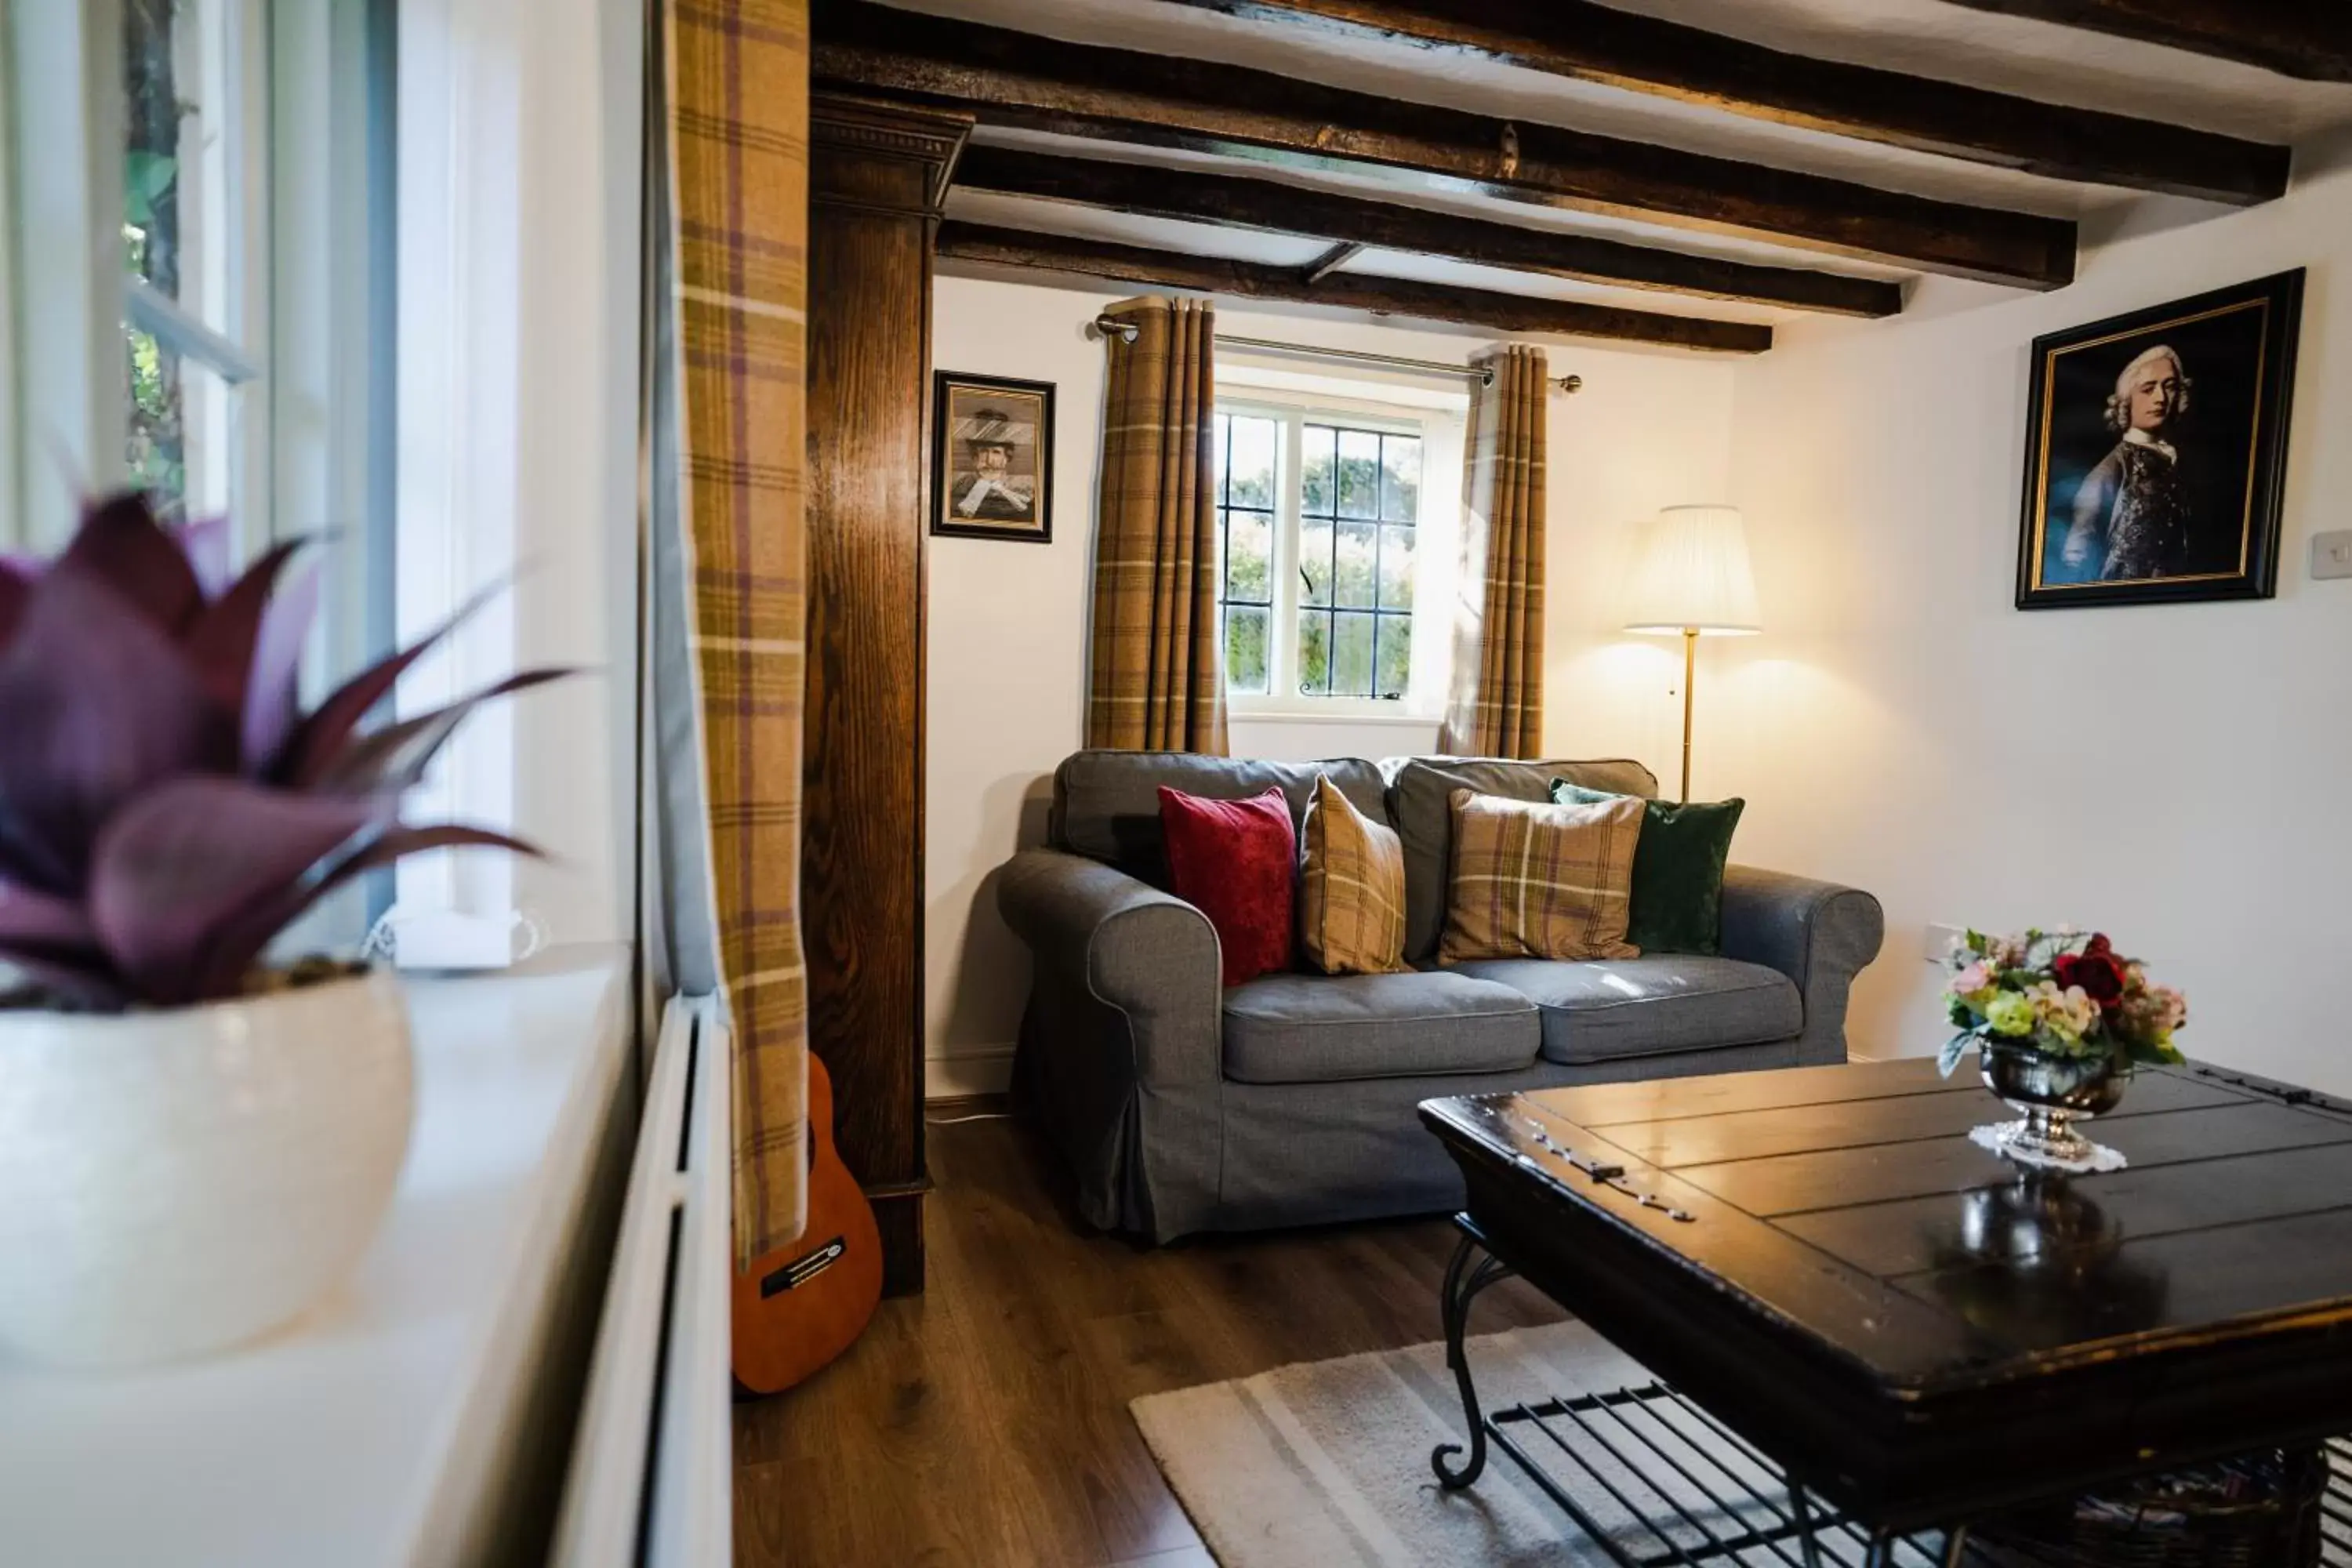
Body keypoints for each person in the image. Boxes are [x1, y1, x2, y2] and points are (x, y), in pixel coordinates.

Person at [2061, 344, 2194, 581]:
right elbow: (2077, 550)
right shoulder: (2110, 470)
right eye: (2148, 389)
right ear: (2127, 401)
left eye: (2169, 387)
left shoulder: (2176, 460)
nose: (2161, 398)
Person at [951, 410, 1034, 523]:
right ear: (975, 457)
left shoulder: (1022, 491)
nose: (989, 460)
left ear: (1006, 458)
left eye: (996, 452)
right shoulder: (958, 489)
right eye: (984, 451)